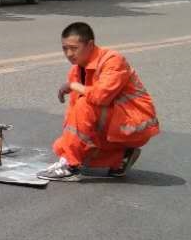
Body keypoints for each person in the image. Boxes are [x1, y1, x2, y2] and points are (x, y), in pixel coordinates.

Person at [39, 21, 159, 181]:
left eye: (74, 48)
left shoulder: (113, 60)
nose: (69, 54)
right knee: (63, 146)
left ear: (90, 45)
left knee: (85, 105)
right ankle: (121, 157)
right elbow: (73, 115)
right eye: (65, 48)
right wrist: (69, 145)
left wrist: (73, 86)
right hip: (112, 125)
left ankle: (70, 166)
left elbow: (101, 96)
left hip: (133, 124)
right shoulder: (76, 70)